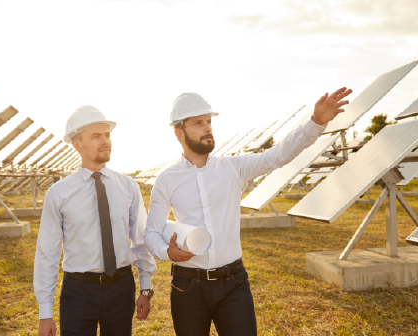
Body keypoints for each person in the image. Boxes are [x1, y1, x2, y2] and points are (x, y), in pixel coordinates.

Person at [144, 89, 352, 335]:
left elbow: (278, 155)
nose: (207, 128)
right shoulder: (167, 180)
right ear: (179, 133)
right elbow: (151, 234)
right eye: (198, 123)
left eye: (209, 121)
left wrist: (316, 122)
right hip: (187, 286)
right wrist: (166, 252)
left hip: (233, 283)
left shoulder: (233, 168)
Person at [34, 105, 157, 336]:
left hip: (122, 287)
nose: (105, 141)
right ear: (77, 144)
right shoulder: (59, 193)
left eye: (107, 135)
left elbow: (140, 239)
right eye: (96, 136)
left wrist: (146, 287)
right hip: (78, 292)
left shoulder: (128, 186)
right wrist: (45, 313)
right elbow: (47, 253)